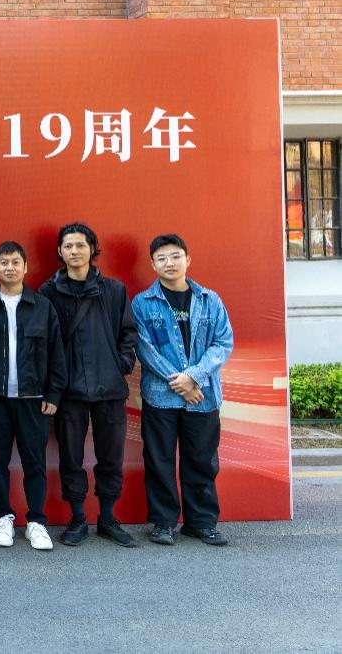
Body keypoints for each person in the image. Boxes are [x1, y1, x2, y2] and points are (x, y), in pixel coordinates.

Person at [39, 222, 138, 548]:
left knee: (111, 456)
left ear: (92, 249)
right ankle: (78, 518)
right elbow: (43, 340)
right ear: (59, 251)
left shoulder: (114, 290)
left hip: (109, 388)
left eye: (80, 245)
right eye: (68, 246)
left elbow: (128, 332)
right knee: (71, 458)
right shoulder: (48, 292)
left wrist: (121, 364)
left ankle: (108, 517)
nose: (74, 251)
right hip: (69, 391)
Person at [132, 234, 234, 547]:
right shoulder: (142, 304)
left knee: (202, 461)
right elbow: (145, 349)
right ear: (152, 265)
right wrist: (180, 383)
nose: (169, 263)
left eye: (175, 256)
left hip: (202, 397)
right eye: (161, 258)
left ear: (188, 259)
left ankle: (201, 523)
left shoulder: (210, 300)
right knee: (159, 461)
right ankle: (163, 523)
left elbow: (223, 343)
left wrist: (194, 377)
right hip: (160, 398)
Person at [0, 241, 65, 551]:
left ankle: (36, 521)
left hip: (33, 398)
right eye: (4, 263)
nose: (9, 268)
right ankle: (3, 518)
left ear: (26, 268)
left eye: (15, 262)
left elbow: (56, 353)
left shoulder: (42, 306)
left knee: (34, 461)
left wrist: (53, 392)